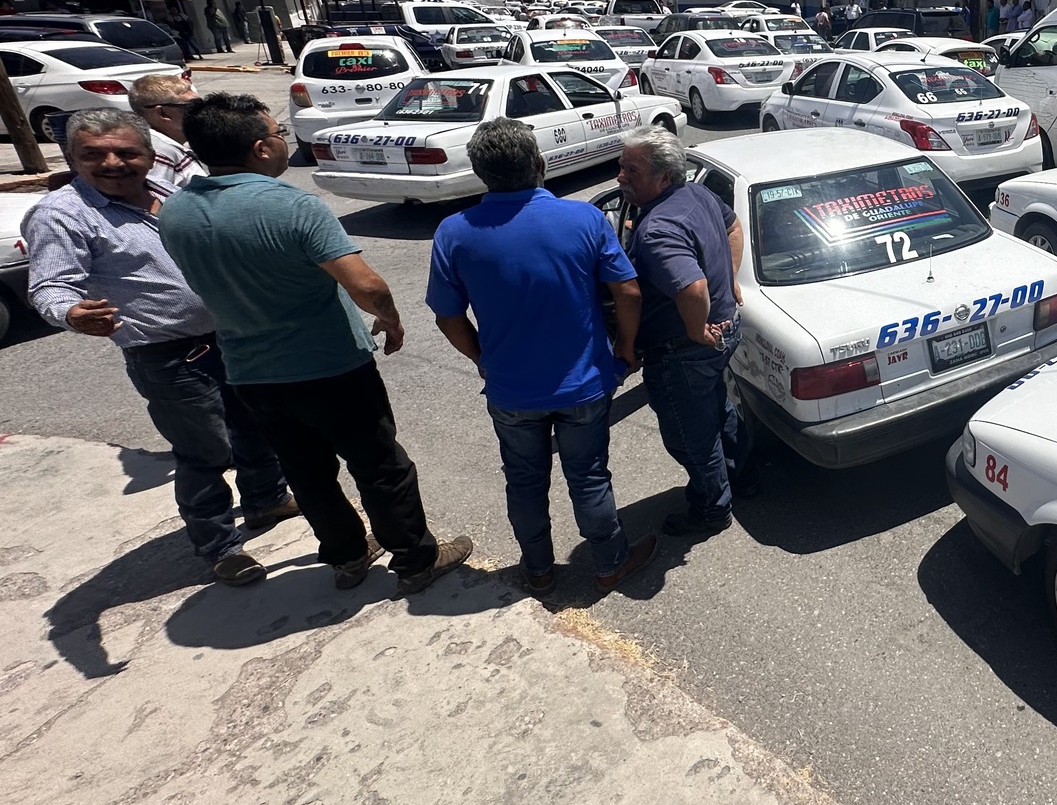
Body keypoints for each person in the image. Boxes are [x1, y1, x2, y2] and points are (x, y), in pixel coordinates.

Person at [158, 93, 471, 595]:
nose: (284, 142)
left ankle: (347, 556)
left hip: (250, 372)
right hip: (330, 366)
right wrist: (391, 321)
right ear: (260, 148)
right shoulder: (292, 204)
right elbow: (367, 286)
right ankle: (415, 560)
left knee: (308, 474)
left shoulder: (174, 213)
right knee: (380, 467)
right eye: (279, 134)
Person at [24, 109, 297, 586]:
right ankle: (218, 545)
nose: (112, 163)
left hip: (230, 336)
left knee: (256, 425)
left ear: (150, 156)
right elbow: (50, 285)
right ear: (72, 158)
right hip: (168, 356)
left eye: (127, 152)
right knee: (204, 451)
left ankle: (266, 499)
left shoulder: (169, 194)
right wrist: (72, 314)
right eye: (94, 154)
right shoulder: (62, 215)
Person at [426, 120, 655, 595]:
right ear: (539, 165)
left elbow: (447, 317)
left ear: (480, 173)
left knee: (524, 483)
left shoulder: (454, 233)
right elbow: (628, 291)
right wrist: (626, 350)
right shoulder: (583, 220)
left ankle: (539, 570)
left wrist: (481, 359)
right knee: (589, 477)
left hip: (511, 391)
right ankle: (610, 562)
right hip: (585, 383)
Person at [617, 126, 749, 537]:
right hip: (725, 333)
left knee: (692, 436)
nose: (620, 176)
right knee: (719, 407)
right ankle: (743, 479)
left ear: (664, 178)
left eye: (631, 171)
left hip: (684, 350)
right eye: (621, 167)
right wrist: (728, 278)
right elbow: (733, 227)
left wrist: (695, 329)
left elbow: (692, 288)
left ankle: (711, 509)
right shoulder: (696, 194)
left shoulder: (658, 230)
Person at [130, 73, 207, 187]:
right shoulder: (158, 155)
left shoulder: (171, 146)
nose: (202, 112)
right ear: (163, 113)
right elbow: (156, 200)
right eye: (193, 106)